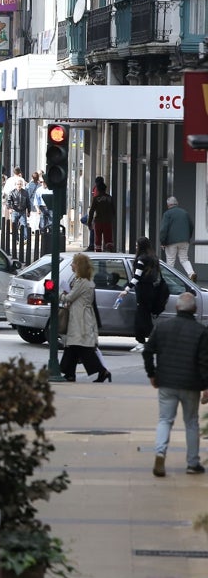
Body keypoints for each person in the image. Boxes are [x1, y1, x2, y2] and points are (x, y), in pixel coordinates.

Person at [142, 292, 208, 477]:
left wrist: (152, 374)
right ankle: (192, 463)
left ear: (177, 307)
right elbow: (204, 362)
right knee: (191, 422)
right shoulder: (201, 331)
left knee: (165, 420)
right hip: (191, 384)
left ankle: (160, 453)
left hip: (166, 382)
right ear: (194, 309)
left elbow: (147, 351)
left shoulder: (163, 327)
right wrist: (206, 386)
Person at [59, 252, 111, 383]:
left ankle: (101, 371)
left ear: (78, 266)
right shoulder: (84, 281)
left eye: (73, 263)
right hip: (79, 315)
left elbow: (70, 297)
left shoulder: (82, 282)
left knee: (79, 346)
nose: (71, 265)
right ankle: (70, 374)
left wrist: (60, 294)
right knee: (74, 346)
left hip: (80, 318)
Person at [121, 236, 164, 353]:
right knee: (142, 317)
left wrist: (126, 289)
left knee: (142, 317)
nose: (135, 247)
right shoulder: (153, 258)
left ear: (141, 247)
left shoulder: (141, 259)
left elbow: (137, 277)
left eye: (136, 245)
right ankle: (141, 341)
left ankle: (148, 341)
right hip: (150, 290)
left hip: (143, 291)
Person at [160, 196, 196, 280]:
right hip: (184, 241)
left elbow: (163, 229)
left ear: (168, 205)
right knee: (184, 259)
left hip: (171, 242)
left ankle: (169, 279)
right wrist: (187, 237)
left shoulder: (167, 214)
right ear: (177, 204)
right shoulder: (185, 213)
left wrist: (163, 242)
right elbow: (191, 226)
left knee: (170, 260)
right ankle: (191, 273)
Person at [87, 176, 115, 251]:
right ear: (105, 189)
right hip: (108, 222)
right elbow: (113, 210)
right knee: (108, 240)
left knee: (98, 240)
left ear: (98, 189)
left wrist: (89, 223)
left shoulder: (96, 199)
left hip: (98, 222)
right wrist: (112, 220)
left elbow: (91, 211)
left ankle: (99, 253)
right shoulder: (110, 198)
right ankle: (110, 253)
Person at [5, 168, 29, 239]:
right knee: (23, 224)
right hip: (20, 203)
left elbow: (5, 191)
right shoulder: (21, 179)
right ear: (19, 172)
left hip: (12, 203)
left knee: (13, 221)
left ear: (13, 172)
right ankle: (24, 238)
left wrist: (9, 206)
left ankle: (14, 235)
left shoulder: (9, 180)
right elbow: (24, 191)